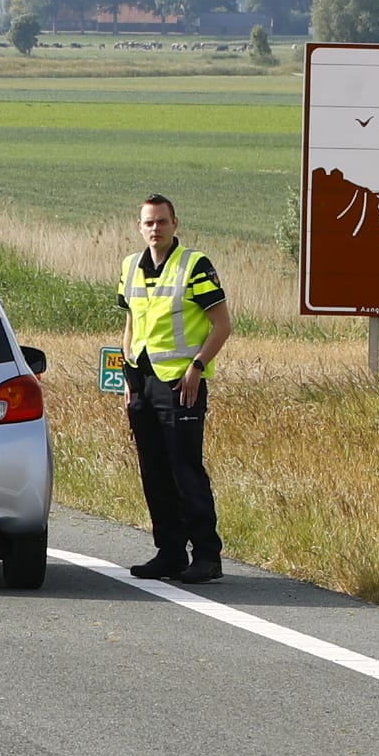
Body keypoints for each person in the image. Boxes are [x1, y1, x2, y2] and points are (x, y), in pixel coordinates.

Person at [119, 194, 232, 582]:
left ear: (175, 224)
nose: (155, 228)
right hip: (143, 381)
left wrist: (197, 368)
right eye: (149, 222)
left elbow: (222, 325)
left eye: (162, 222)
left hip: (182, 383)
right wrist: (127, 375)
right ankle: (169, 552)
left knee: (185, 471)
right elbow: (132, 324)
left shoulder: (194, 266)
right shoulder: (130, 267)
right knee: (154, 471)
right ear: (140, 226)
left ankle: (206, 555)